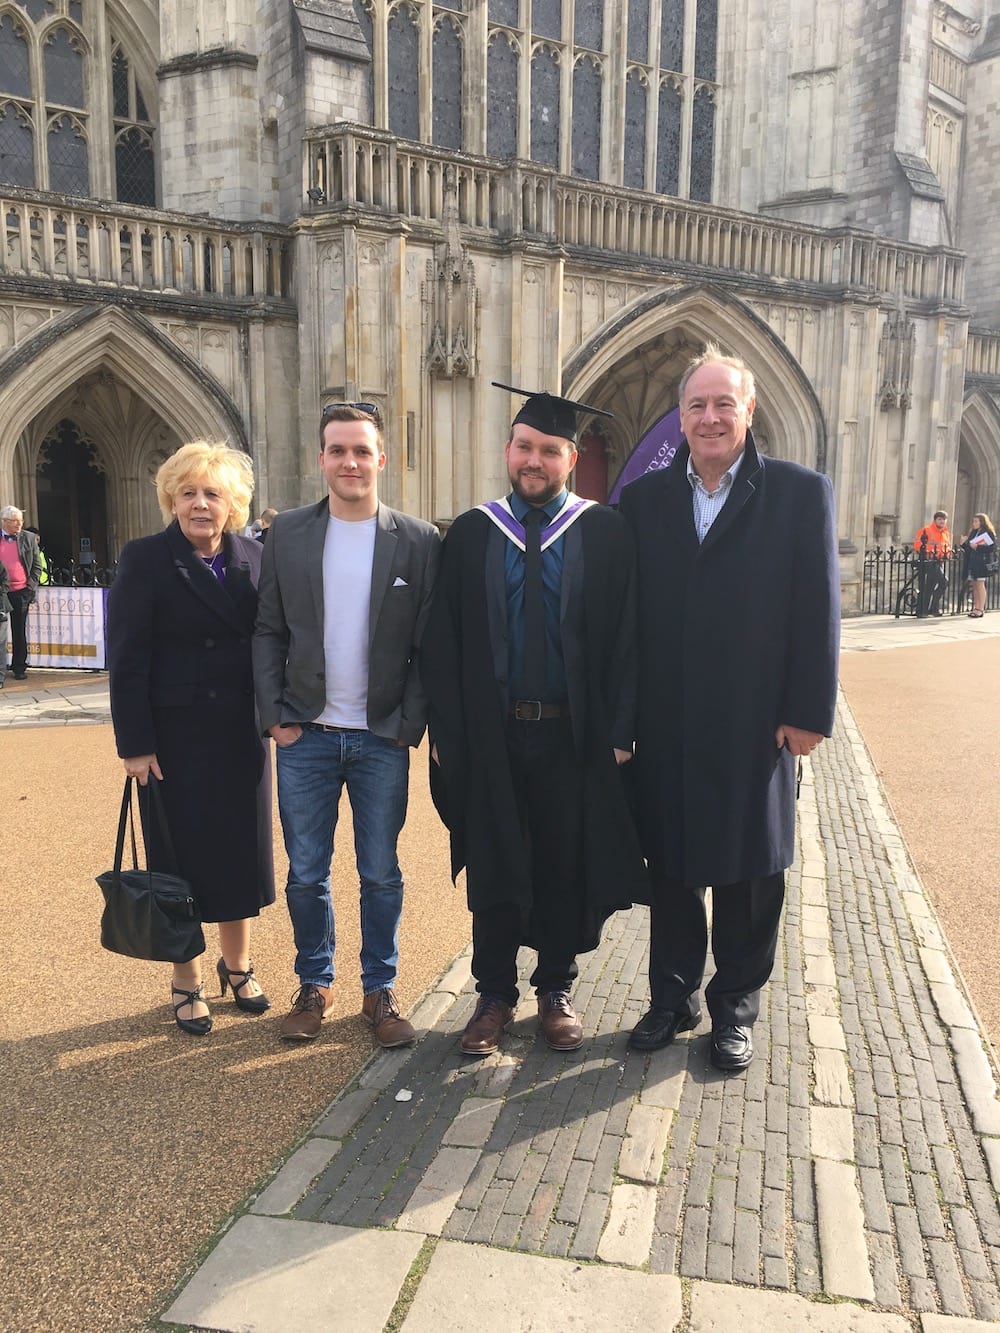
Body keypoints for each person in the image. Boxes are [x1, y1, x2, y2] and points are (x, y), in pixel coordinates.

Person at [619, 345, 840, 1072]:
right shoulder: (646, 500)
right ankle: (672, 995)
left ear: (749, 410)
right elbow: (628, 617)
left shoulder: (799, 492)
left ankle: (735, 1005)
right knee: (673, 866)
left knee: (751, 871)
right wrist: (624, 720)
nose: (710, 417)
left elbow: (818, 610)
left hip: (756, 721)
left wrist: (808, 710)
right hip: (668, 720)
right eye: (697, 405)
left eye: (724, 403)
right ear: (680, 418)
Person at [422, 383, 647, 1058]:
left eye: (550, 450)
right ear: (507, 450)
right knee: (494, 857)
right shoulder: (468, 533)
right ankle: (493, 994)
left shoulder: (605, 533)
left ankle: (555, 987)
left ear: (570, 460)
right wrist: (448, 734)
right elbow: (442, 641)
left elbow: (630, 638)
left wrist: (622, 731)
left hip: (573, 734)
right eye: (525, 447)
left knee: (562, 859)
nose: (534, 460)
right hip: (491, 732)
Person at [253, 403, 440, 1047]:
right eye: (338, 451)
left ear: (382, 459)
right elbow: (268, 628)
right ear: (321, 459)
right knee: (306, 872)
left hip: (379, 737)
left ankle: (379, 989)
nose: (351, 462)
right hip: (304, 734)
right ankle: (314, 983)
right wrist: (275, 715)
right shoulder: (290, 533)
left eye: (362, 450)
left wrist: (406, 724)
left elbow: (428, 645)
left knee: (381, 870)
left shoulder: (418, 540)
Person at [107, 441, 275, 1035]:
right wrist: (135, 743)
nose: (201, 504)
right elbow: (127, 657)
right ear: (171, 500)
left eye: (213, 493)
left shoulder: (255, 554)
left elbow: (270, 641)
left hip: (241, 734)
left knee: (241, 853)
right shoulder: (146, 557)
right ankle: (186, 980)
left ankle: (239, 965)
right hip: (174, 740)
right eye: (189, 493)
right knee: (178, 860)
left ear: (233, 503)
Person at [0, 506, 42, 681]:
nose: (19, 524)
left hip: (21, 591)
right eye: (15, 521)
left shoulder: (29, 538)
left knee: (19, 631)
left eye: (21, 521)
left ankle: (19, 667)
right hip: (1, 592)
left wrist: (30, 585)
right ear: (4, 522)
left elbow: (37, 566)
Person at [913, 510, 951, 617]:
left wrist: (946, 554)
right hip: (929, 561)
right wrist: (928, 553)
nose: (942, 521)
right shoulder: (926, 530)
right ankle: (933, 607)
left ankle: (925, 610)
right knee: (944, 581)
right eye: (939, 519)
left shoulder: (945, 533)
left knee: (930, 586)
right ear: (935, 520)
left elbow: (947, 546)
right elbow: (917, 545)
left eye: (944, 519)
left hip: (939, 561)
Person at [959, 512, 996, 618]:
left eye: (976, 521)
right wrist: (963, 544)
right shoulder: (973, 532)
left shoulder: (988, 533)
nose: (974, 523)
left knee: (980, 584)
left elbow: (991, 548)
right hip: (972, 562)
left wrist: (977, 547)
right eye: (973, 521)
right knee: (974, 585)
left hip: (982, 563)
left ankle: (980, 608)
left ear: (982, 522)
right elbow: (969, 549)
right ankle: (976, 607)